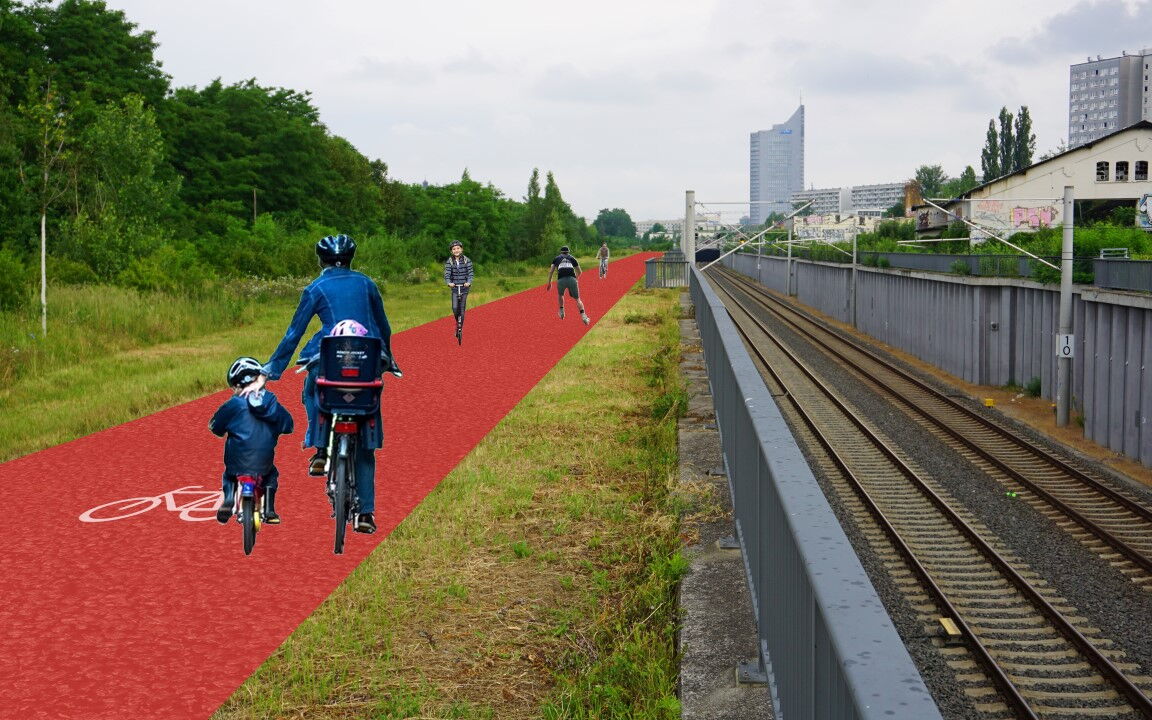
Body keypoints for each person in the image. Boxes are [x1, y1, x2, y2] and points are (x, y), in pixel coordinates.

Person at [240, 234, 396, 535]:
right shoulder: (367, 284)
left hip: (329, 358)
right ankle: (366, 514)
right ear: (351, 259)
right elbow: (383, 325)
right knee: (368, 424)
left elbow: (293, 333)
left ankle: (320, 449)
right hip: (368, 360)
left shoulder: (316, 287)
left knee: (313, 387)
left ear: (321, 260)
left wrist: (271, 370)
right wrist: (387, 356)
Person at [210, 357, 294, 525]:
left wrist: (222, 429)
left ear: (238, 385)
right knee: (271, 475)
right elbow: (288, 425)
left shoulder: (233, 404)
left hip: (237, 462)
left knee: (229, 475)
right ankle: (269, 509)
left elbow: (216, 427)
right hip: (264, 461)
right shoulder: (271, 402)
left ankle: (228, 499)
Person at [546, 245, 590, 325]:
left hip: (561, 280)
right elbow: (580, 271)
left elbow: (551, 271)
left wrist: (549, 282)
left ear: (561, 252)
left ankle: (562, 312)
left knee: (560, 295)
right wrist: (575, 279)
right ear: (568, 252)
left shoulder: (556, 258)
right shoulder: (572, 258)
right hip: (572, 279)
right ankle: (584, 316)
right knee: (577, 299)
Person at [443, 240, 473, 340]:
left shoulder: (466, 260)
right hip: (455, 288)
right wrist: (449, 283)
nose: (456, 250)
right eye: (454, 249)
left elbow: (470, 273)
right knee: (455, 308)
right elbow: (447, 274)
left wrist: (468, 282)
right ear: (451, 251)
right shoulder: (449, 262)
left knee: (462, 309)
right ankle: (457, 323)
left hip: (464, 288)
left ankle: (460, 328)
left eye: (458, 248)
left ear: (461, 249)